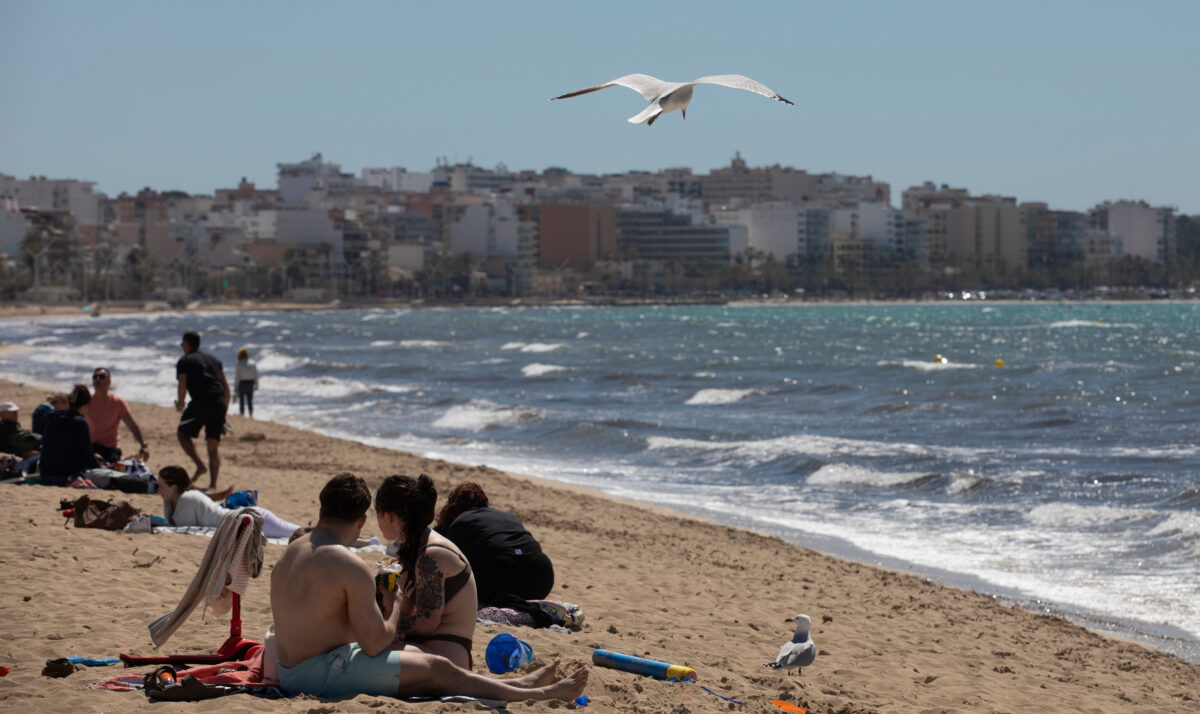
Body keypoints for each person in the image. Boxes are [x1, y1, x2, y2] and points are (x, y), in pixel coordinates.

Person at [270, 473, 586, 701]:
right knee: (436, 668)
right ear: (362, 521)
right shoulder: (348, 563)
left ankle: (523, 683)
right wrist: (393, 609)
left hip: (292, 671)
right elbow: (373, 645)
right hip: (319, 674)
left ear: (322, 508)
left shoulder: (291, 552)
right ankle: (543, 692)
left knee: (437, 666)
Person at [375, 474, 476, 669]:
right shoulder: (413, 549)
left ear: (387, 515)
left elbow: (426, 622)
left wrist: (388, 627)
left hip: (448, 656)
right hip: (427, 648)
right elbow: (404, 610)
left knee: (365, 654)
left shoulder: (432, 555)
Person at [434, 482, 555, 606]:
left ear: (452, 506)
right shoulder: (508, 515)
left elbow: (437, 542)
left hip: (502, 574)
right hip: (542, 576)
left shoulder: (460, 522)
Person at [156, 465, 302, 539]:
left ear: (174, 487)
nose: (158, 491)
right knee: (298, 534)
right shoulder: (187, 497)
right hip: (249, 520)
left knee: (301, 534)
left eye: (161, 487)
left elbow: (180, 529)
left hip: (252, 521)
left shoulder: (186, 500)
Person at [175, 330, 230, 489]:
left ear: (186, 344)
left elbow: (182, 383)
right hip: (219, 402)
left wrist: (180, 403)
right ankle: (213, 484)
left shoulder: (184, 361)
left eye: (182, 343)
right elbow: (226, 388)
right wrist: (224, 412)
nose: (181, 346)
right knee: (213, 447)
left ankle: (200, 465)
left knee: (182, 433)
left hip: (201, 402)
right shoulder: (215, 360)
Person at [86, 367, 149, 464]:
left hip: (111, 448)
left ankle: (127, 459)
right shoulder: (86, 401)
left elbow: (132, 425)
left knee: (113, 471)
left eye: (102, 376)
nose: (98, 379)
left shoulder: (117, 402)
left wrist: (143, 445)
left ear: (109, 382)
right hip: (91, 447)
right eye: (95, 376)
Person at [234, 347, 259, 418]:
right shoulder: (252, 363)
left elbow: (237, 377)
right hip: (250, 383)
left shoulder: (238, 364)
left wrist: (235, 387)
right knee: (250, 401)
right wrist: (257, 385)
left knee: (241, 401)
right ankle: (251, 414)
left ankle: (242, 414)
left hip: (242, 383)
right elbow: (256, 376)